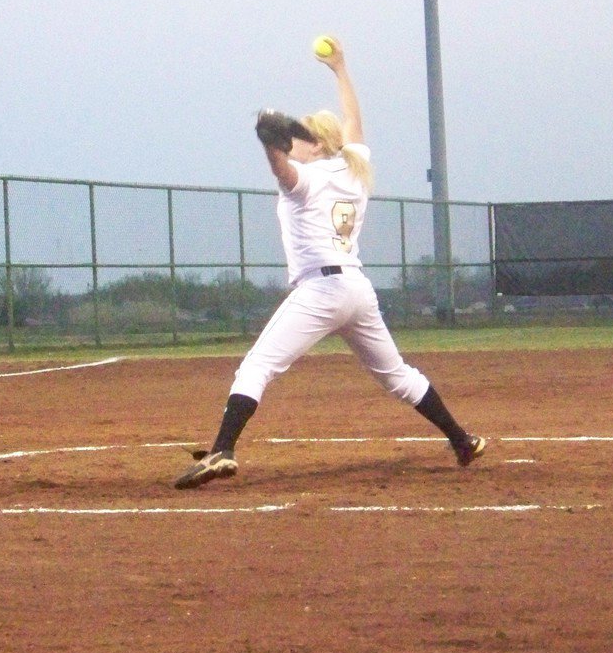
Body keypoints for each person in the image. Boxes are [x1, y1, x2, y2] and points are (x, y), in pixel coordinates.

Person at [174, 38, 484, 489]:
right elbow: (354, 122)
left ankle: (223, 449)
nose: (297, 141)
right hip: (357, 291)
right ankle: (461, 439)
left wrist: (268, 137)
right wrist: (340, 69)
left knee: (256, 367)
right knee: (397, 375)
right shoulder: (353, 168)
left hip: (320, 292)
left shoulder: (307, 180)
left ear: (318, 145)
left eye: (304, 136)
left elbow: (281, 168)